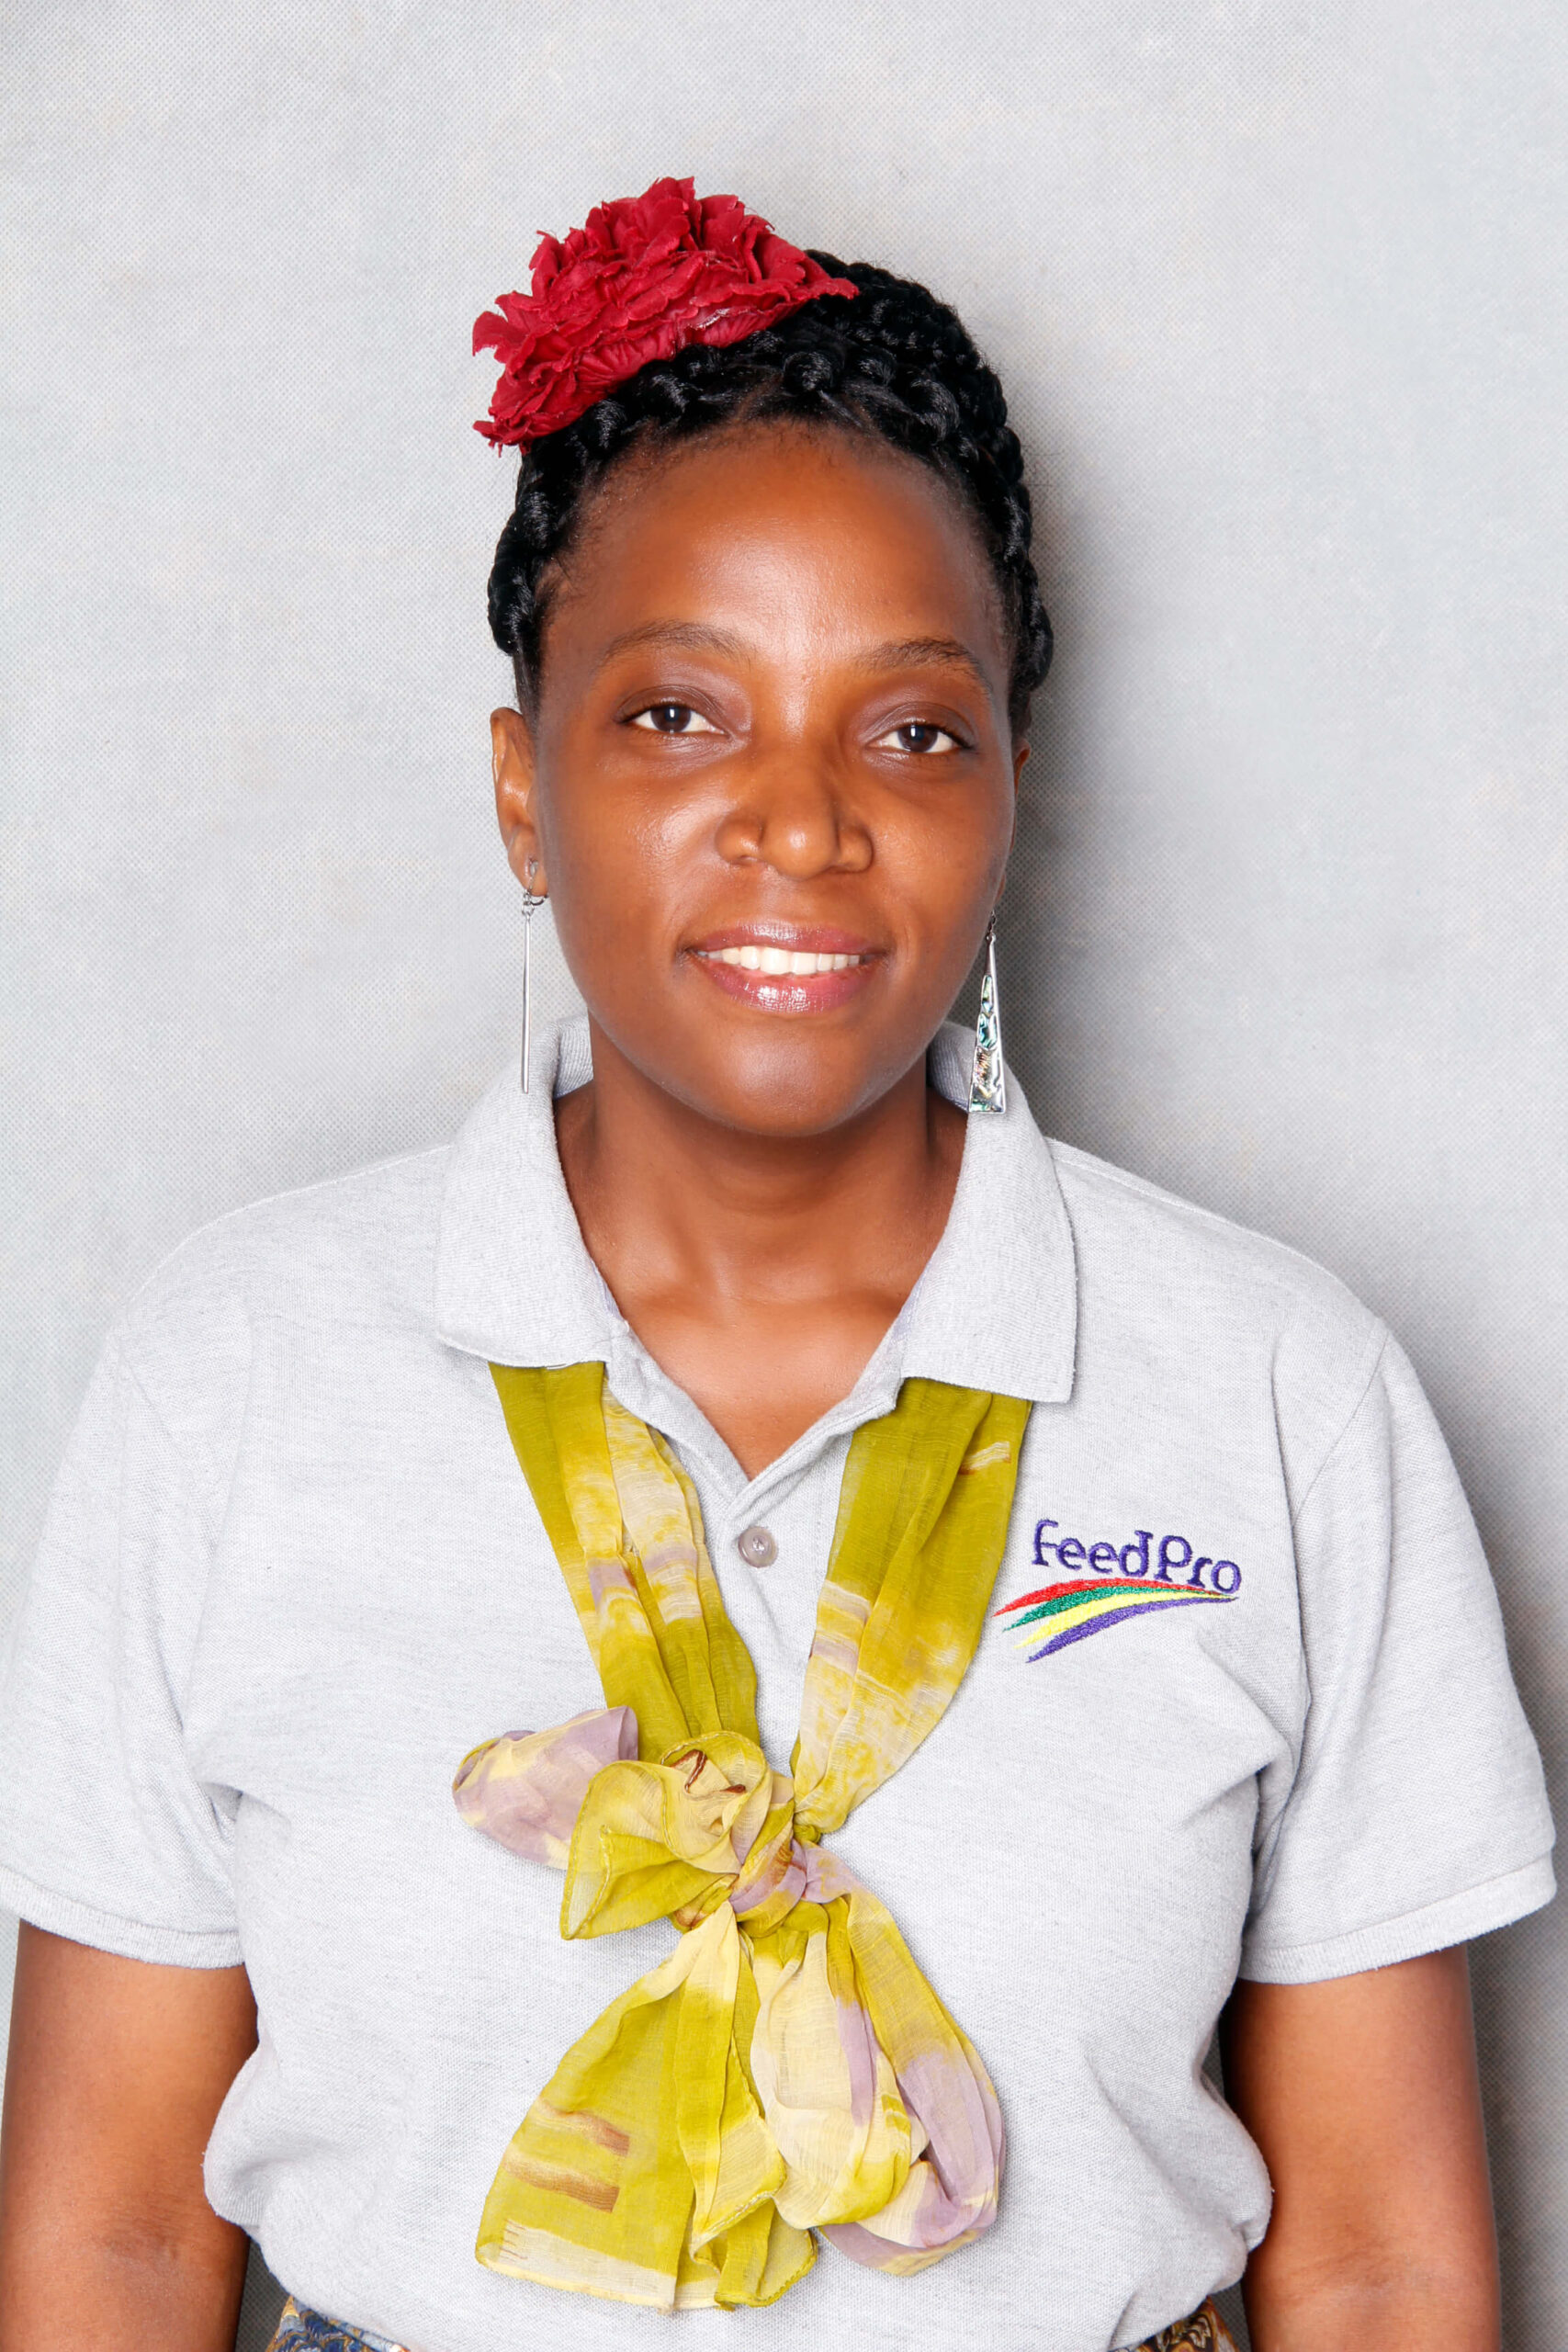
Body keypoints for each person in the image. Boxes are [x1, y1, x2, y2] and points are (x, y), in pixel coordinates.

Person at [0, 176, 1552, 2352]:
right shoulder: (234, 1375)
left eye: (909, 730)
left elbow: (1381, 2263)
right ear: (522, 790)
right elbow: (114, 2242)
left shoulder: (1279, 1394)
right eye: (677, 714)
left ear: (1007, 789)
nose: (804, 822)